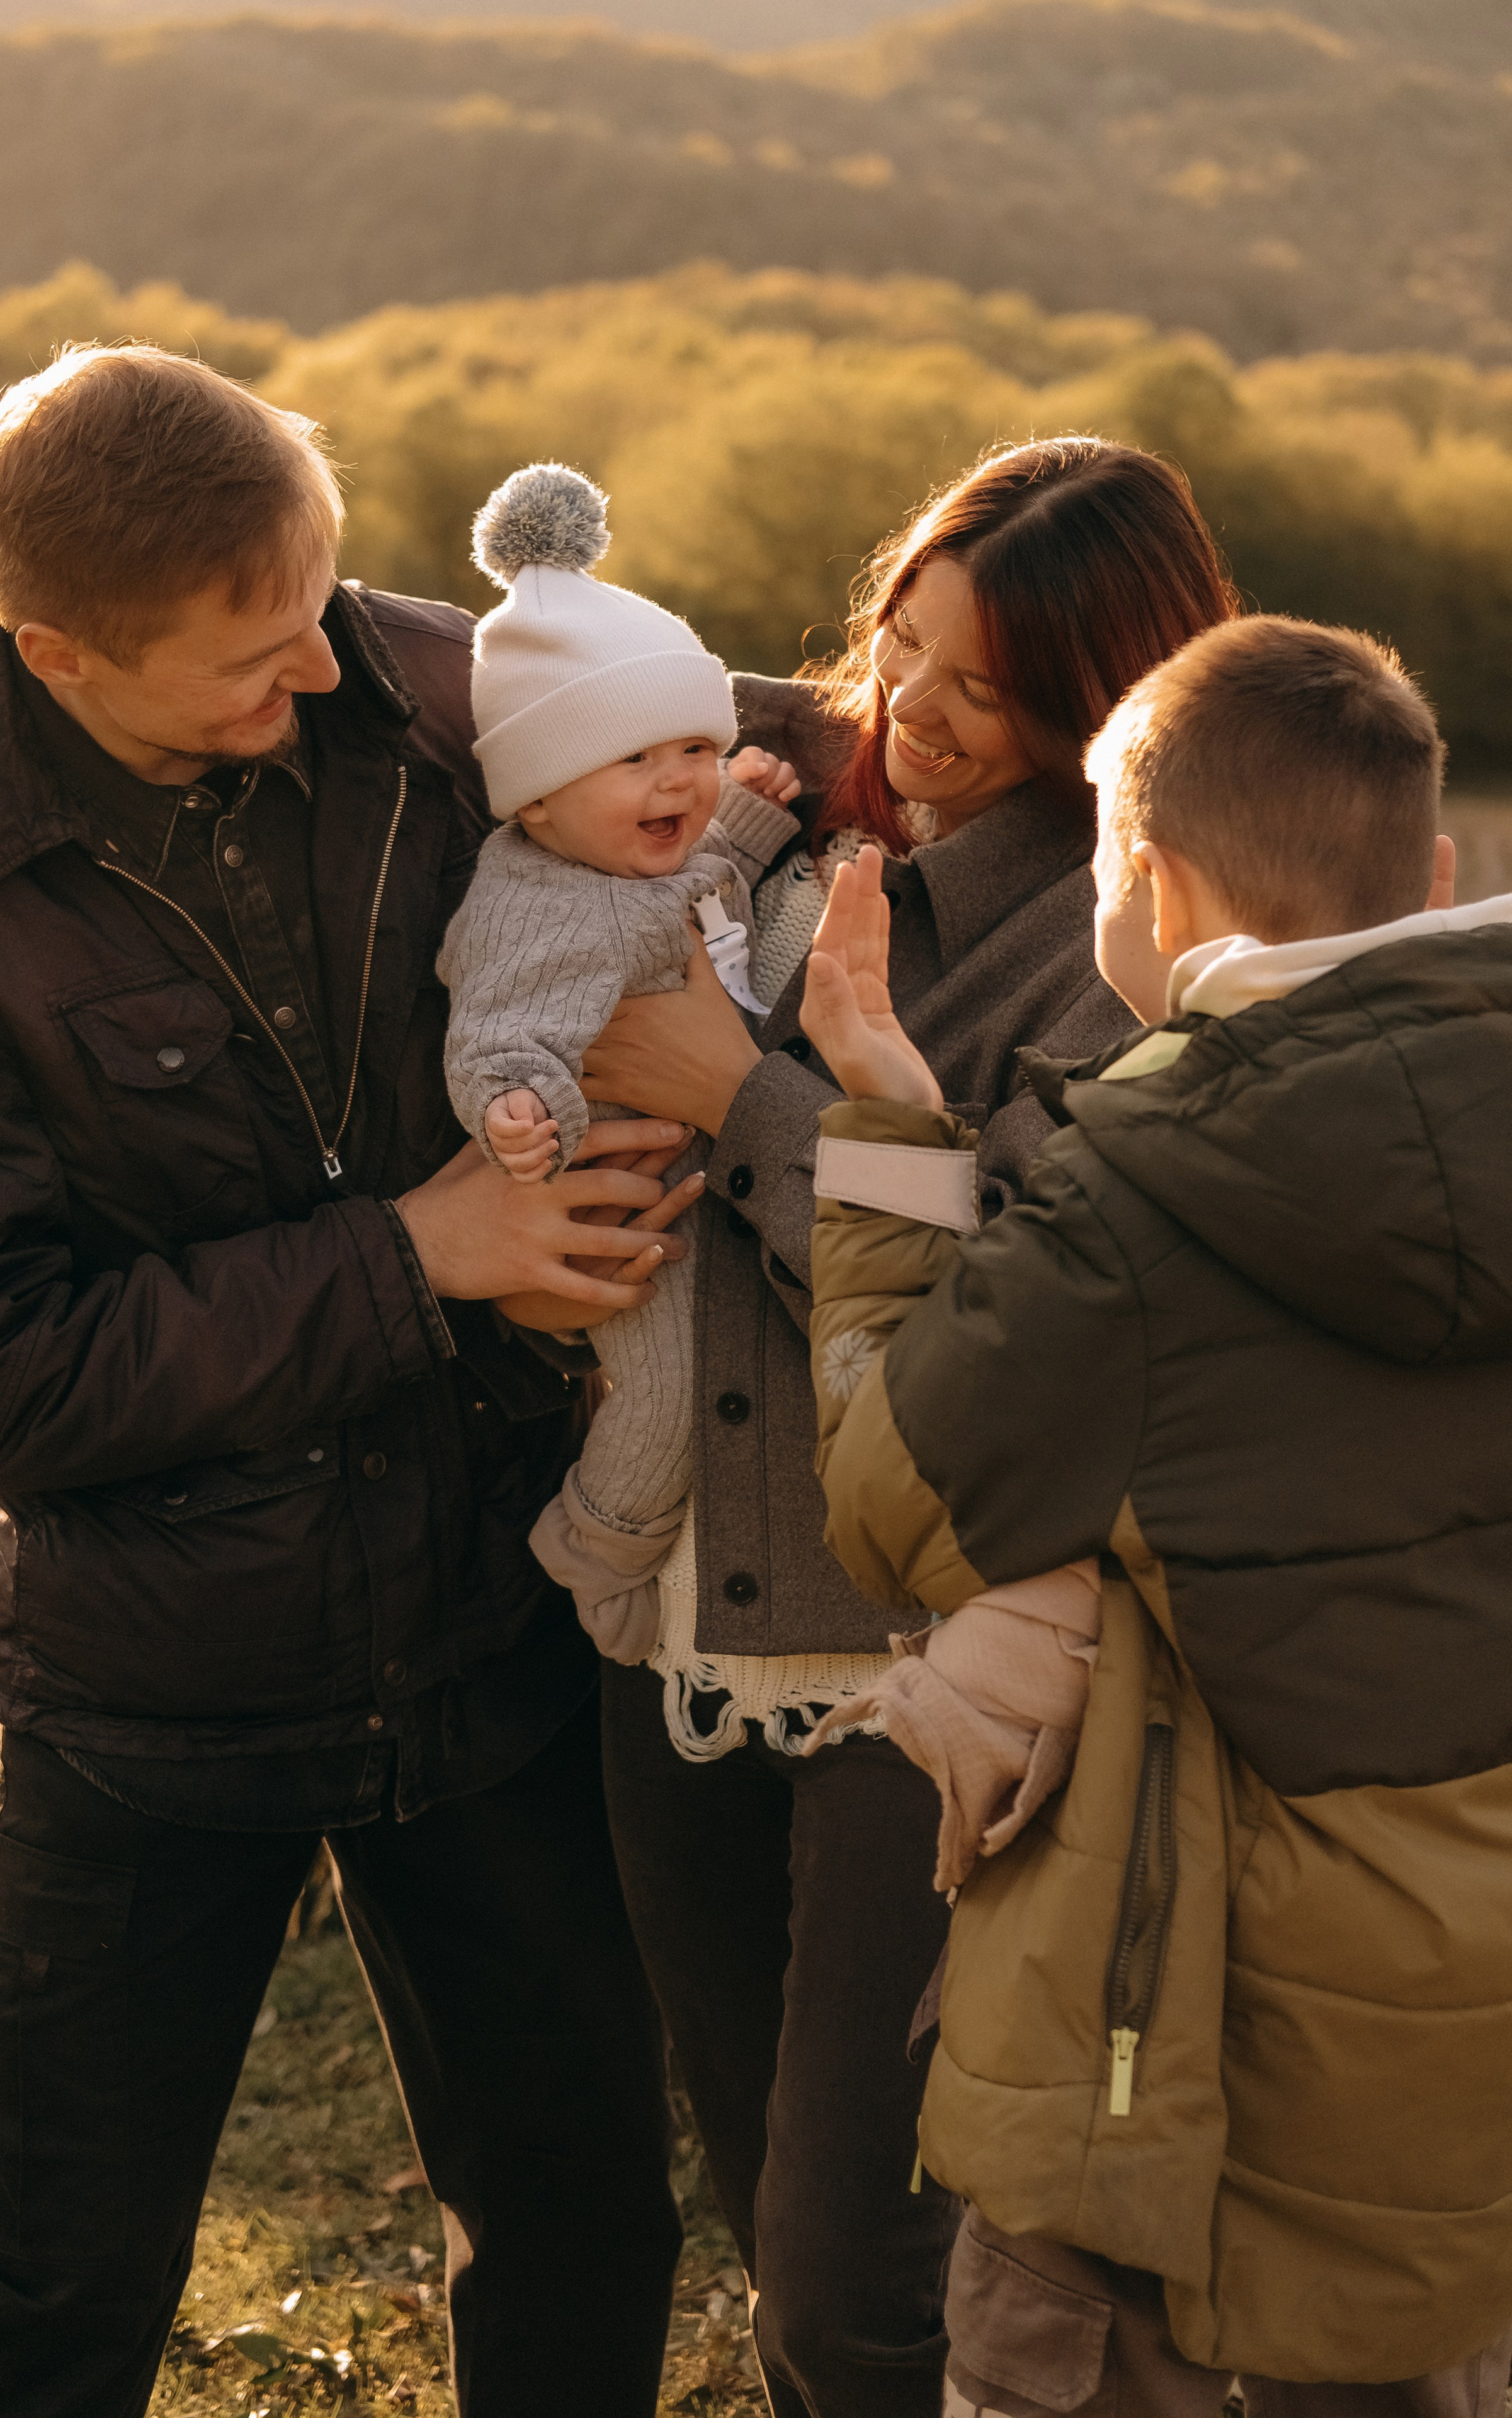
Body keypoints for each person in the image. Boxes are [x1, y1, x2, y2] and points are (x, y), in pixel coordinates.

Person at [0, 345, 700, 2418]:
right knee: (53, 2301)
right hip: (155, 1690)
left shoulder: (390, 665)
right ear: (56, 650)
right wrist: (421, 1256)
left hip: (494, 1624)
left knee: (588, 2226)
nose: (326, 686)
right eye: (252, 665)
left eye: (324, 621)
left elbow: (798, 734)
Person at [588, 436, 1238, 2415]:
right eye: (903, 637)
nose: (916, 707)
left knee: (852, 2279)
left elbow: (1009, 1311)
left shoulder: (1122, 950)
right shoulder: (784, 790)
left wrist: (744, 1099)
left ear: (1103, 709)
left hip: (920, 1664)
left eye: (984, 685)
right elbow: (509, 657)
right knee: (753, 2169)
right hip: (685, 1616)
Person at [804, 613, 1512, 2415]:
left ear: (1150, 882)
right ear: (1432, 870)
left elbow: (894, 1500)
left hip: (1181, 2028)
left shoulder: (1141, 1203)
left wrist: (892, 1149)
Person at [438, 462, 802, 1659]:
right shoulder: (543, 906)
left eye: (696, 744)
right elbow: (498, 1029)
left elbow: (704, 877)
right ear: (535, 802)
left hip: (716, 1174)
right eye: (638, 759)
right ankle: (598, 1550)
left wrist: (742, 814)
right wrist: (519, 1112)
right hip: (625, 1207)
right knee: (669, 1395)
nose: (681, 781)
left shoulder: (639, 854)